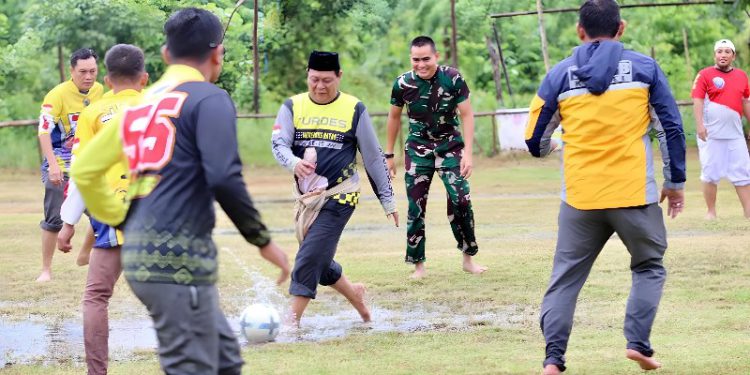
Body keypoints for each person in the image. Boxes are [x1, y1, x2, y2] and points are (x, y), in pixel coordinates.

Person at [73, 8, 290, 374]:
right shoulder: (209, 98)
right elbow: (223, 177)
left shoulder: (140, 105)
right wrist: (263, 241)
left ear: (165, 55)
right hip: (175, 260)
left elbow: (84, 168)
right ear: (218, 53)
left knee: (224, 361)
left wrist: (117, 215)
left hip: (147, 255)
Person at [524, 1, 686, 373]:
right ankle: (638, 344)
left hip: (581, 198)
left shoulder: (560, 75)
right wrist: (674, 182)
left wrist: (556, 144)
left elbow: (535, 141)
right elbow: (671, 129)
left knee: (565, 279)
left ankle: (553, 360)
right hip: (634, 196)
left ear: (580, 31)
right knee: (648, 266)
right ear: (621, 28)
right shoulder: (645, 69)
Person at [271, 50, 398, 325]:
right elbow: (278, 145)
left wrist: (388, 200)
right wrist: (293, 163)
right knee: (320, 257)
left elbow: (373, 157)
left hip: (341, 196)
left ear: (339, 76)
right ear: (307, 74)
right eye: (314, 79)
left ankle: (290, 322)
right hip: (307, 200)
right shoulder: (292, 106)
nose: (320, 86)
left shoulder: (354, 108)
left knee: (309, 256)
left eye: (327, 80)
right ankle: (356, 295)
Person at [55, 44, 148, 375]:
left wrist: (67, 224)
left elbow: (82, 171)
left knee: (96, 297)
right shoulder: (162, 108)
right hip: (162, 211)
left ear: (107, 79)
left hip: (117, 212)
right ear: (144, 78)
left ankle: (97, 373)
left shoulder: (93, 113)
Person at [385, 36, 486, 279]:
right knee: (416, 206)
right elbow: (394, 118)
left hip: (450, 147)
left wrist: (468, 154)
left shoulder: (452, 78)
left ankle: (468, 257)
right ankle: (418, 265)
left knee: (461, 199)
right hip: (417, 149)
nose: (421, 64)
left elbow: (467, 115)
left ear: (436, 57)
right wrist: (389, 154)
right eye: (416, 60)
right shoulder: (402, 84)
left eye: (426, 59)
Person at [36, 47, 103, 281]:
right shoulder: (57, 95)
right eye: (83, 71)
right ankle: (46, 269)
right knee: (54, 214)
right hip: (60, 160)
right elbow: (43, 130)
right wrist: (53, 165)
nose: (88, 76)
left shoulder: (100, 91)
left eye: (93, 71)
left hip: (87, 161)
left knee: (104, 212)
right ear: (71, 71)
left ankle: (85, 254)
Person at [692, 39, 750, 219]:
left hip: (735, 136)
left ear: (733, 56)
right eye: (719, 51)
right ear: (714, 55)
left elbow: (746, 101)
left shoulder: (742, 76)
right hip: (711, 135)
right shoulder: (704, 75)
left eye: (727, 52)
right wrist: (700, 125)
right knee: (710, 174)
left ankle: (748, 211)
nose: (723, 55)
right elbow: (698, 100)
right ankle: (711, 212)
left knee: (743, 173)